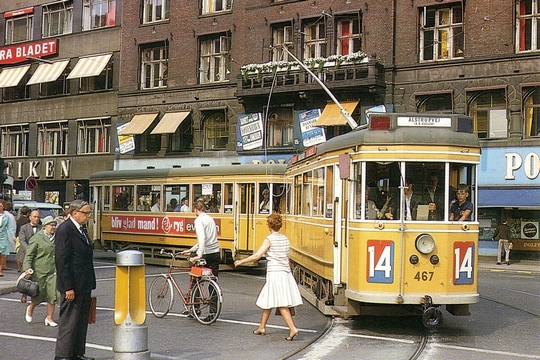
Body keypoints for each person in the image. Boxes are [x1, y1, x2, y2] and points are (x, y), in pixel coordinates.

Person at [234, 213, 302, 341]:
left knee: (281, 303)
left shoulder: (269, 239)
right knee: (269, 300)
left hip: (275, 274)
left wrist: (241, 261)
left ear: (269, 225)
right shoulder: (285, 239)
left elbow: (257, 256)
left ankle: (292, 328)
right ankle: (262, 327)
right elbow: (287, 258)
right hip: (285, 273)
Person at [54, 200, 96, 360]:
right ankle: (63, 355)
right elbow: (62, 260)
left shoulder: (81, 230)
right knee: (69, 323)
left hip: (84, 284)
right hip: (72, 285)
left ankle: (77, 352)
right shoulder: (65, 230)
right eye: (86, 213)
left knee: (80, 322)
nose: (88, 216)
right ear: (74, 213)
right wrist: (67, 287)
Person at [23, 216, 59, 327]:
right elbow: (29, 255)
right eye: (51, 225)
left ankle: (49, 317)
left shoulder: (57, 238)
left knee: (52, 295)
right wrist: (27, 267)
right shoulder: (37, 238)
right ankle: (31, 308)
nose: (53, 227)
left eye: (54, 225)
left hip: (53, 271)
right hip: (40, 271)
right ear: (45, 226)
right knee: (39, 294)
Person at [181, 200, 220, 277]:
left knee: (195, 276)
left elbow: (202, 238)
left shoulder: (198, 220)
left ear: (196, 209)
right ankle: (214, 288)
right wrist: (191, 249)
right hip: (215, 252)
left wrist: (199, 255)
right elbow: (207, 239)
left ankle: (196, 288)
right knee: (213, 277)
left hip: (206, 253)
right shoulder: (210, 219)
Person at [18, 210, 42, 302]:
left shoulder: (41, 228)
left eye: (38, 217)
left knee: (36, 276)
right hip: (26, 254)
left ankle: (35, 295)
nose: (36, 219)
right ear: (30, 217)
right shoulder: (24, 228)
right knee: (27, 276)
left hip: (38, 255)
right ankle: (24, 294)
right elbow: (22, 240)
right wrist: (30, 251)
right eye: (35, 217)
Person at [0, 200, 15, 277]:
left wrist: (13, 236)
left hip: (3, 236)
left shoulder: (6, 217)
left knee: (3, 254)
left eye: (1, 206)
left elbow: (9, 227)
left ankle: (0, 270)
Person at [15, 206, 31, 272]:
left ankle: (19, 267)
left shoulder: (18, 220)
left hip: (18, 237)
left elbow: (16, 228)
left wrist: (15, 236)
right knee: (24, 253)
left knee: (19, 252)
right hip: (26, 237)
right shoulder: (27, 220)